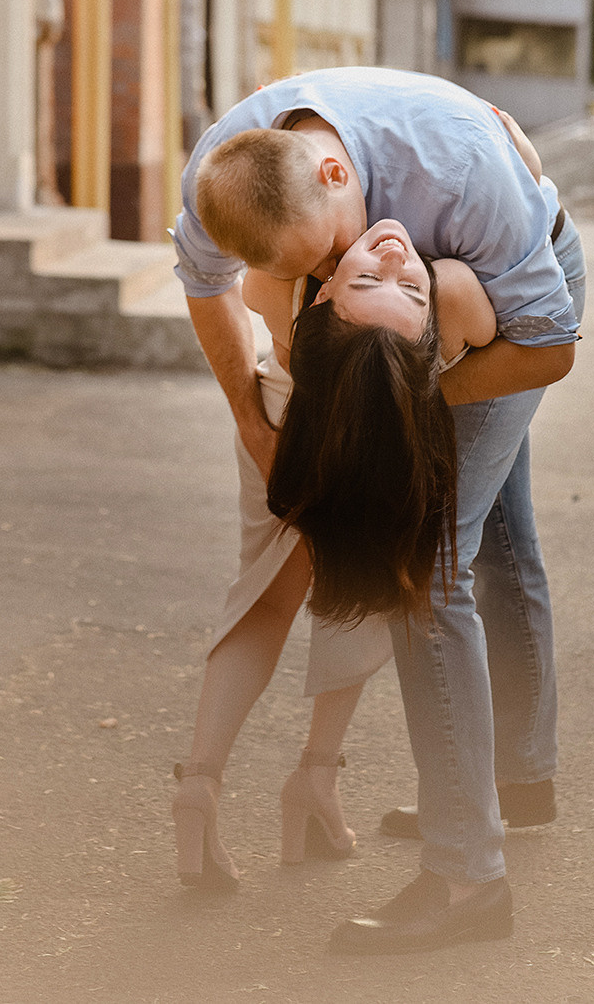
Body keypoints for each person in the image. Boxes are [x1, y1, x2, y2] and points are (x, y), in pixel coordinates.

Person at [172, 66, 586, 954]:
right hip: (413, 322)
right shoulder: (228, 174)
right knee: (493, 535)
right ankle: (511, 778)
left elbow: (549, 348)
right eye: (306, 276)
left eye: (326, 256)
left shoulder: (457, 170)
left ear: (335, 176)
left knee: (430, 569)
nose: (322, 276)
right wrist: (252, 419)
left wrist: (405, 417)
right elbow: (206, 287)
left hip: (513, 307)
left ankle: (466, 874)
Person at [171, 221, 497, 883]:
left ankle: (199, 782)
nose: (389, 256)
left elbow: (244, 295)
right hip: (381, 442)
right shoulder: (447, 288)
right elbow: (488, 338)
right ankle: (315, 775)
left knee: (261, 602)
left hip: (281, 423)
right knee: (362, 596)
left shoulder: (290, 275)